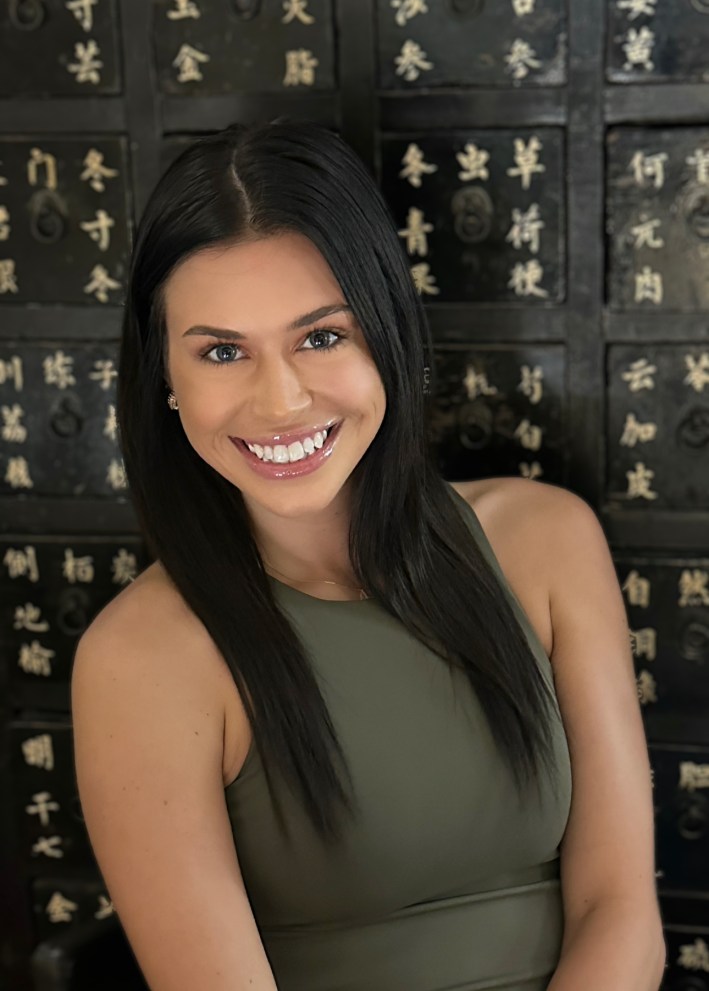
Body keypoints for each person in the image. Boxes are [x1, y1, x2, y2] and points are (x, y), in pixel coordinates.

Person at [71, 119, 666, 991]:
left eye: (321, 337)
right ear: (166, 377)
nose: (280, 401)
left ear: (385, 335)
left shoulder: (545, 540)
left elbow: (620, 915)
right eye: (223, 352)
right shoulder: (141, 658)